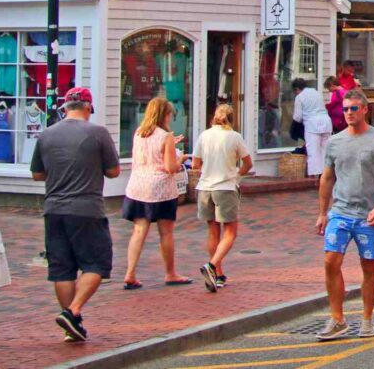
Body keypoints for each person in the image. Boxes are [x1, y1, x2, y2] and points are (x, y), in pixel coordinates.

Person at [29, 86, 120, 343]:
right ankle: (73, 311)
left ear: (65, 107)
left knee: (62, 269)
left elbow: (37, 174)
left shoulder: (46, 135)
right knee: (97, 263)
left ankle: (72, 324)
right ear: (88, 107)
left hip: (54, 209)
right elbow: (113, 171)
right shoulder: (98, 133)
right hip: (86, 209)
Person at [316, 89, 374, 340]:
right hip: (340, 212)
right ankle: (338, 319)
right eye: (345, 109)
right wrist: (322, 213)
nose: (348, 113)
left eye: (353, 108)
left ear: (364, 110)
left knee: (368, 265)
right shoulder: (335, 142)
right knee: (331, 261)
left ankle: (367, 318)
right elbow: (327, 177)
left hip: (368, 215)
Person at [121, 97, 192, 289]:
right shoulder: (165, 136)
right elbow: (170, 167)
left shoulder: (139, 133)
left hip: (137, 187)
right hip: (160, 190)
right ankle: (171, 273)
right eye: (170, 114)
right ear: (164, 115)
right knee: (166, 232)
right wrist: (181, 158)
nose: (171, 118)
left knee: (139, 230)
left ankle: (130, 273)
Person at [192, 104, 253, 292]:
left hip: (204, 188)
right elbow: (248, 163)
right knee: (230, 232)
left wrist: (207, 170)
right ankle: (212, 265)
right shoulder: (234, 137)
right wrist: (237, 175)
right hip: (225, 187)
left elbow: (195, 163)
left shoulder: (204, 135)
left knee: (213, 232)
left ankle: (218, 274)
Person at [292, 77, 334, 176]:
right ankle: (326, 175)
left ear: (297, 89)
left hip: (312, 125)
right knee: (325, 151)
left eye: (295, 91)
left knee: (313, 152)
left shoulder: (300, 97)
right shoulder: (316, 93)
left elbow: (297, 117)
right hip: (326, 123)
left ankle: (314, 178)